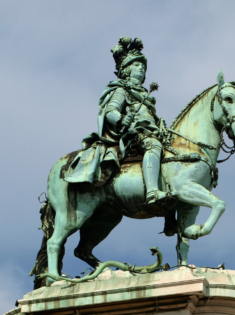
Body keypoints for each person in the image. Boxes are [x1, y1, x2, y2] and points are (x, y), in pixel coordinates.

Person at [64, 37, 168, 205]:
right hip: (132, 135)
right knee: (153, 146)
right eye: (136, 65)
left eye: (143, 66)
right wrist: (122, 118)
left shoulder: (144, 96)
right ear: (126, 69)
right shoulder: (121, 90)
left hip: (152, 132)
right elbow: (110, 112)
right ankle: (152, 193)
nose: (141, 68)